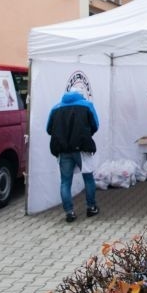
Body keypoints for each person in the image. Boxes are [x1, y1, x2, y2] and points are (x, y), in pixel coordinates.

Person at [47, 88, 100, 223]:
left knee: (65, 182)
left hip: (63, 151)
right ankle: (91, 207)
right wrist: (86, 134)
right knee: (88, 178)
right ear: (80, 96)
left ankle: (69, 212)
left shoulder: (55, 108)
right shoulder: (87, 105)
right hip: (82, 148)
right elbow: (95, 125)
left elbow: (49, 129)